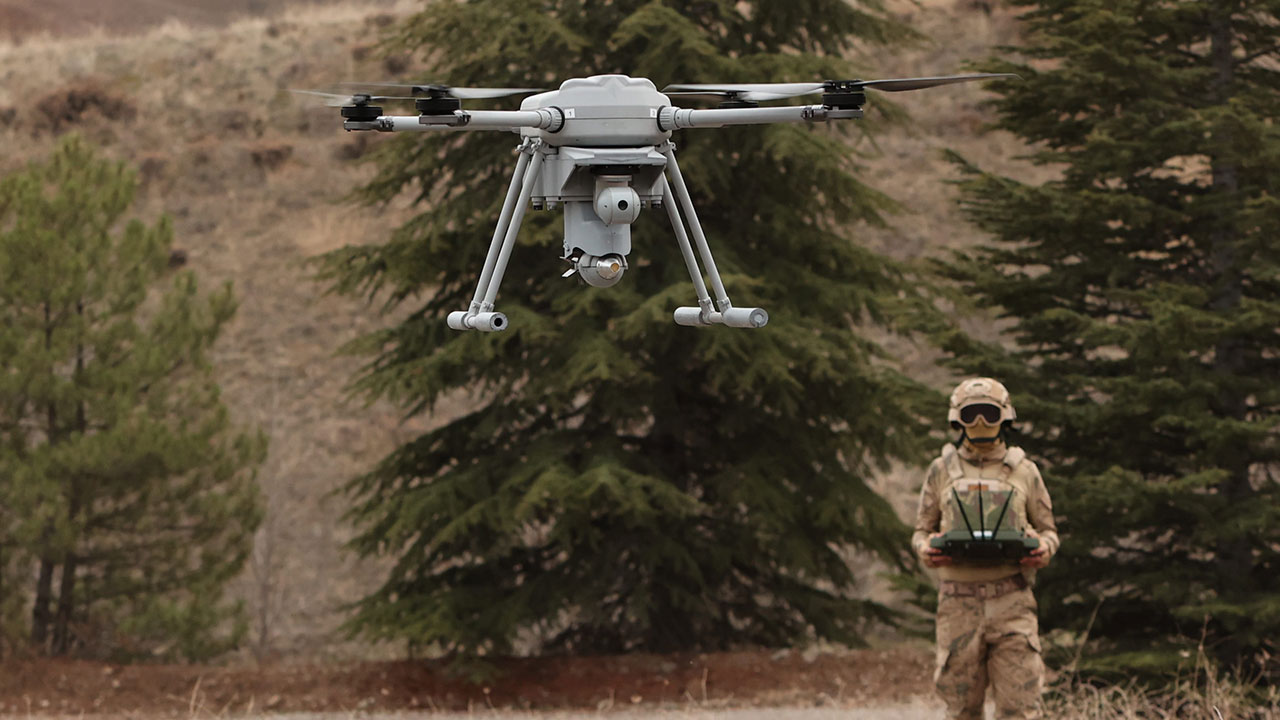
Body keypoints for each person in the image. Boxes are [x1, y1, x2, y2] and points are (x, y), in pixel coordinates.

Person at [912, 377, 1060, 720]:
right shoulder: (940, 471)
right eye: (971, 413)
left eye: (988, 413)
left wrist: (1043, 548)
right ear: (958, 419)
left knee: (1019, 709)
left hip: (1012, 602)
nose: (979, 423)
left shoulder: (1025, 471)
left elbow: (1049, 531)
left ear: (1003, 416)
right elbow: (921, 530)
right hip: (957, 603)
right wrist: (926, 549)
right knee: (961, 709)